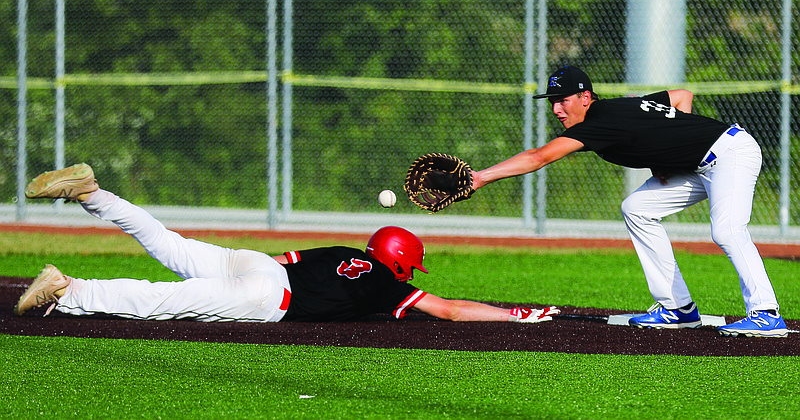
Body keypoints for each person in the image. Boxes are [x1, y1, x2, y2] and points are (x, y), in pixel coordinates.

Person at [15, 163, 560, 325]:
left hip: (255, 264)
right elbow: (448, 309)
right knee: (165, 302)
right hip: (265, 300)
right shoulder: (388, 284)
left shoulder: (345, 252)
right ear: (402, 263)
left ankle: (93, 194)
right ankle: (68, 291)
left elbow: (281, 258)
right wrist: (513, 315)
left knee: (167, 242)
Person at [469, 65, 786, 338]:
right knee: (638, 209)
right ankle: (678, 308)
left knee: (727, 230)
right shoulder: (620, 108)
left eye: (563, 100)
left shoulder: (600, 122)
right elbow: (681, 96)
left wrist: (481, 177)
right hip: (702, 163)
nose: (556, 109)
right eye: (553, 101)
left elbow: (539, 157)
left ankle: (766, 313)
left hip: (731, 153)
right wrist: (674, 149)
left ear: (585, 98)